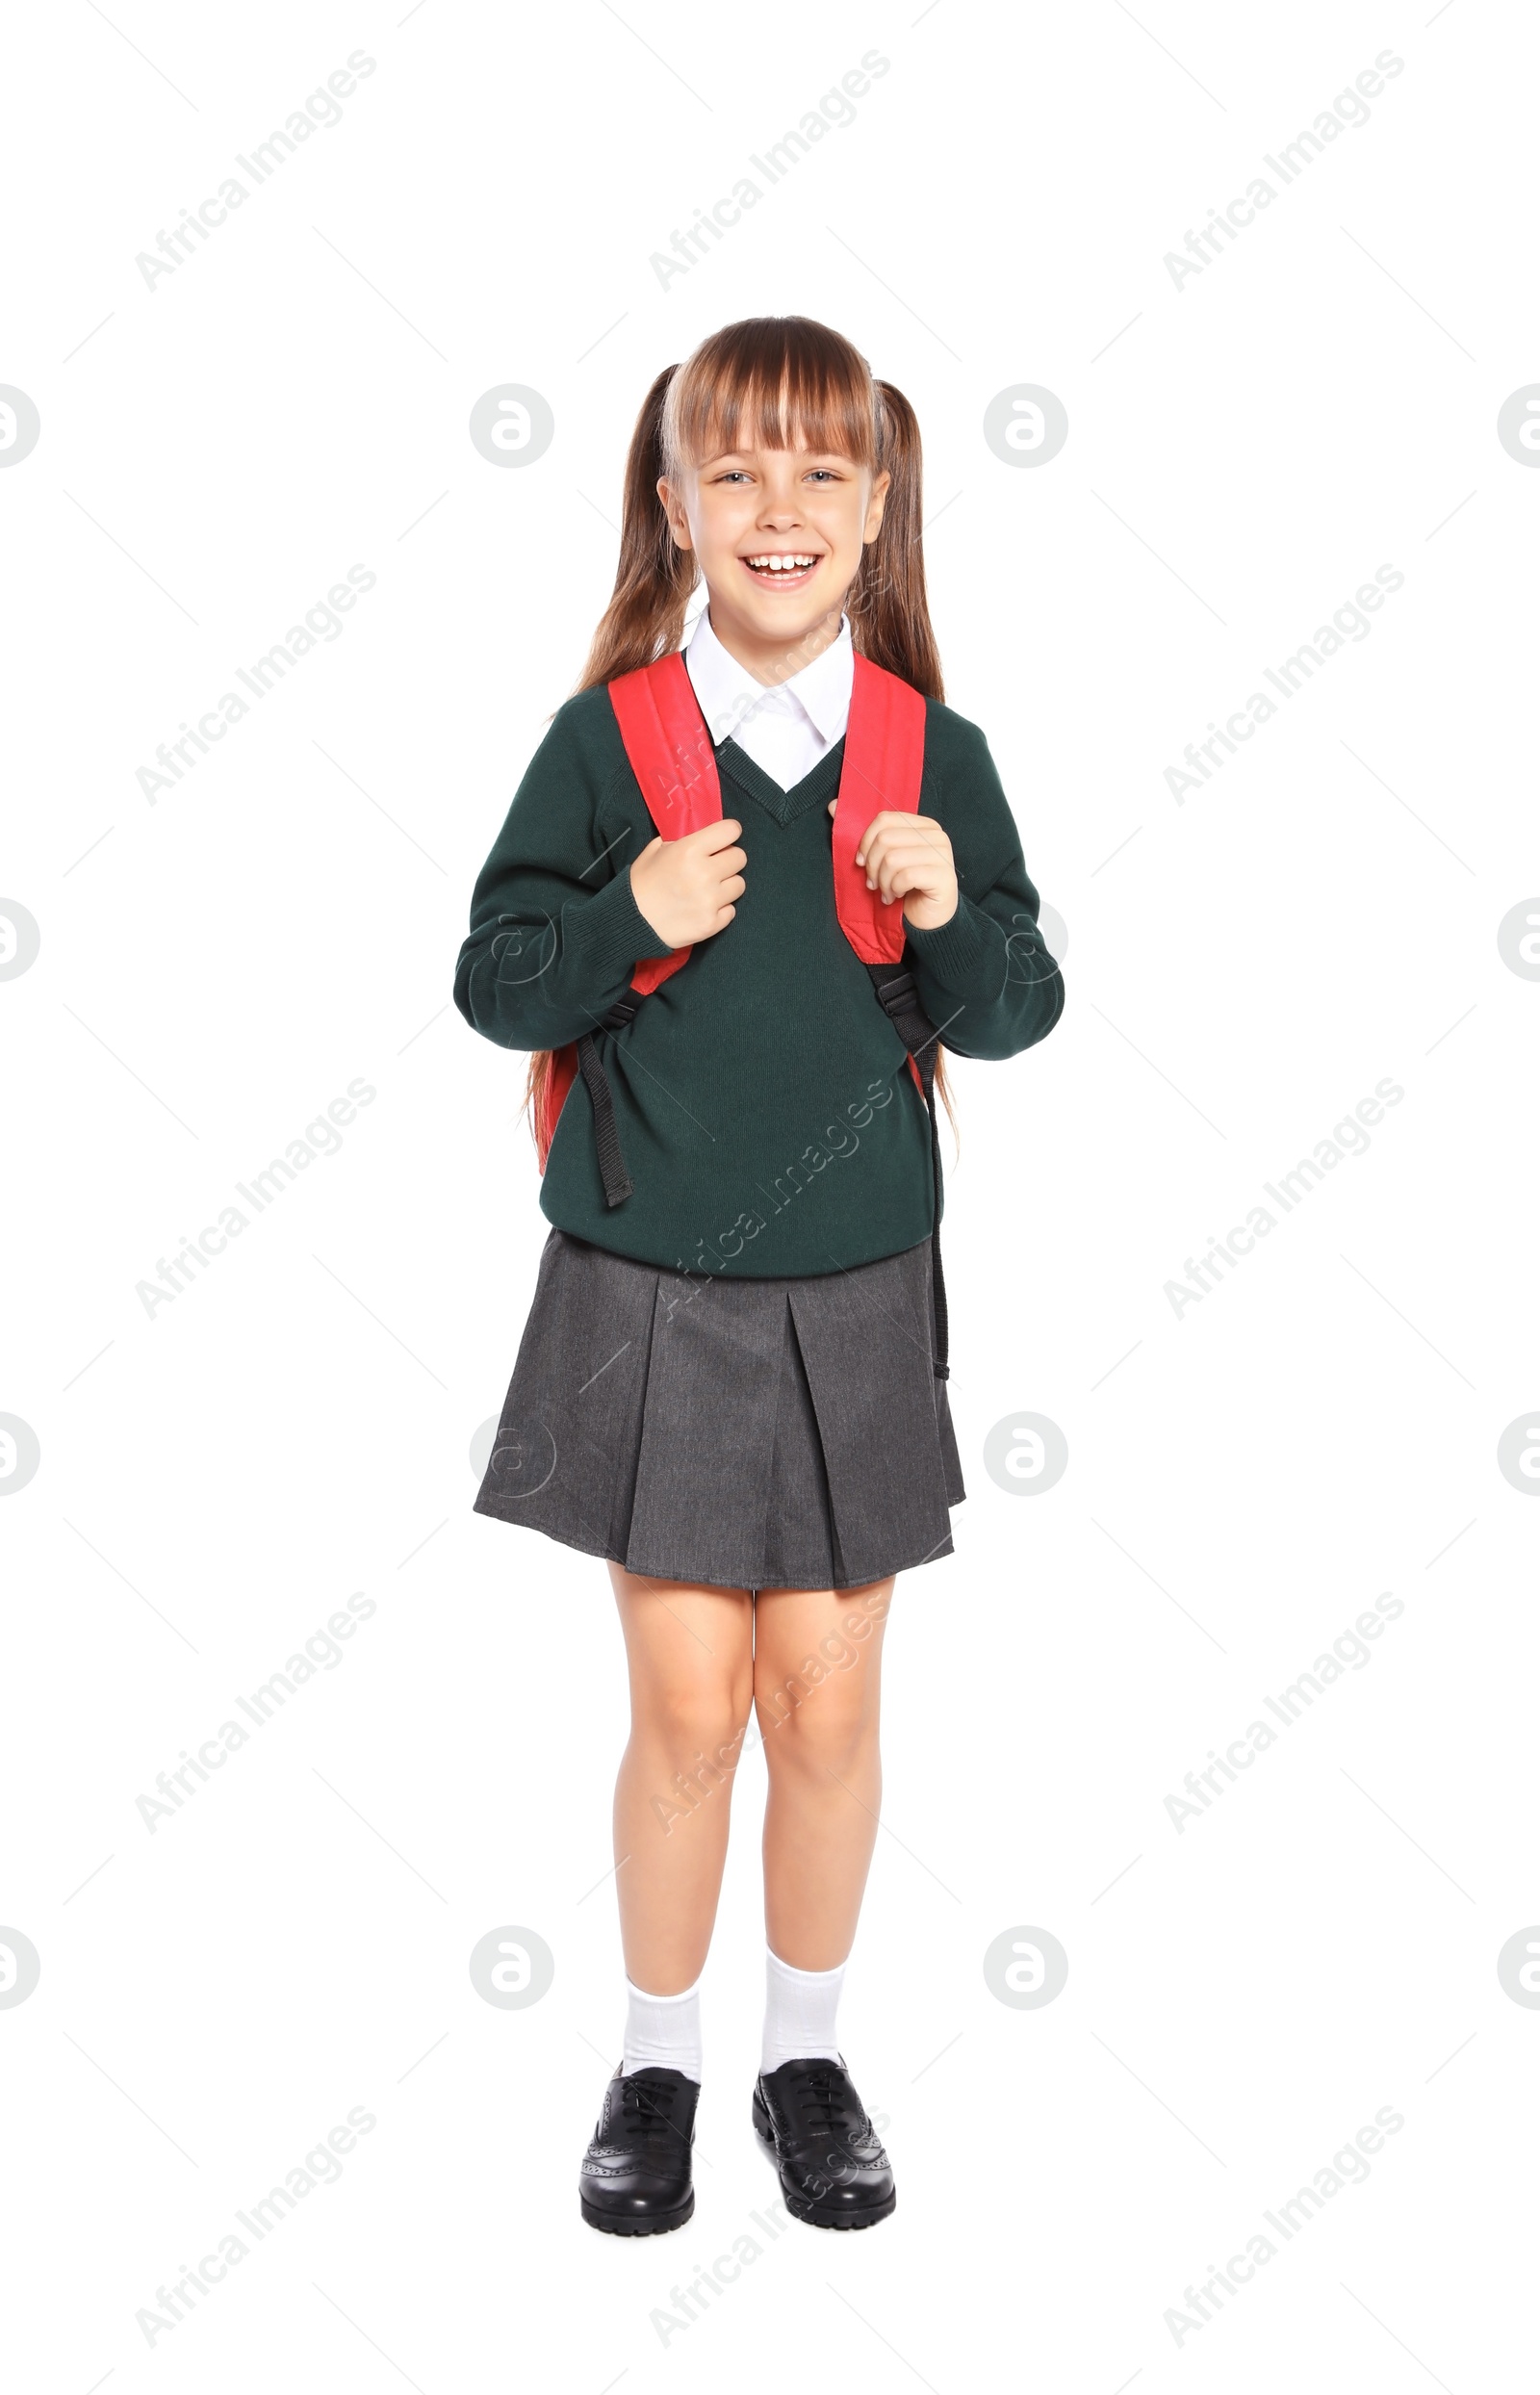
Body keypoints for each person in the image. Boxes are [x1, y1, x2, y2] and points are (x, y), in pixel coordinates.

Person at [453, 315, 1064, 2234]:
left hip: (855, 1285)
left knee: (823, 1702)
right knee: (688, 1706)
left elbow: (1017, 1002)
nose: (776, 507)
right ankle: (654, 2059)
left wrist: (954, 906)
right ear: (672, 505)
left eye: (819, 471)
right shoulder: (610, 743)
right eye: (734, 471)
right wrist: (622, 918)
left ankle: (803, 2051)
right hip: (644, 1285)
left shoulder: (928, 755)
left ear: (877, 506)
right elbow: (493, 979)